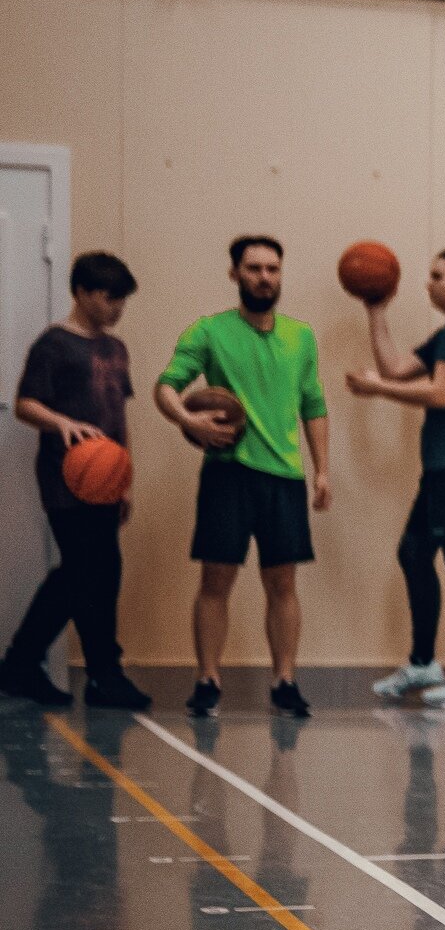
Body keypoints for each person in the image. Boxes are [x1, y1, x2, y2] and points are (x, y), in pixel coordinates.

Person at [155, 235, 331, 719]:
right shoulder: (209, 332)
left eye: (272, 269)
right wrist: (187, 421)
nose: (264, 277)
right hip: (227, 475)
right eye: (253, 268)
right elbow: (167, 387)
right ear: (234, 274)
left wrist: (322, 472)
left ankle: (286, 681)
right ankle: (208, 679)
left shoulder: (302, 336)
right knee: (216, 580)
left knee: (283, 583)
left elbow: (314, 406)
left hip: (284, 478)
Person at [347, 244, 445, 710]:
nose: (428, 283)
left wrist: (378, 391)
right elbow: (395, 369)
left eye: (436, 275)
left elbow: (440, 394)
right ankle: (423, 664)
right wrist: (375, 310)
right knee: (415, 553)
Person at [0, 252, 152, 710]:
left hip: (107, 479)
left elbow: (119, 416)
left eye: (123, 300)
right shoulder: (54, 345)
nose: (117, 309)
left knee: (96, 573)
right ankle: (97, 672)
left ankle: (27, 666)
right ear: (83, 293)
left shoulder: (115, 348)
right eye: (110, 299)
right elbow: (25, 403)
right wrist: (61, 422)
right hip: (66, 481)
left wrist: (125, 478)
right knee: (89, 572)